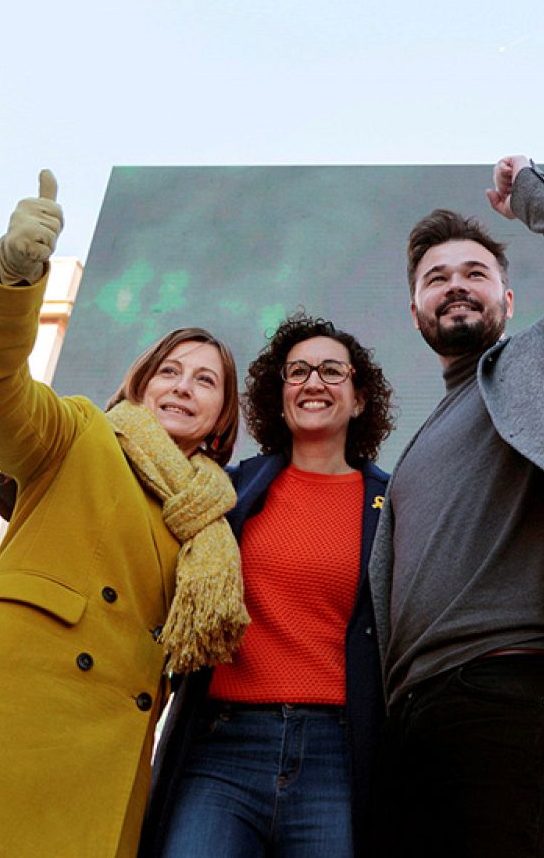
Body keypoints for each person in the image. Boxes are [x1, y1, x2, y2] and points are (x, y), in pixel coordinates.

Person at [0, 171, 247, 857]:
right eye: (170, 371)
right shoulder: (79, 433)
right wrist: (14, 278)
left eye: (205, 380)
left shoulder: (214, 522)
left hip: (93, 787)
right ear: (141, 382)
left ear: (222, 419)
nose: (183, 386)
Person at [370, 156, 544, 856]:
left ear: (506, 299)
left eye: (475, 273)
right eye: (435, 279)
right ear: (415, 313)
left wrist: (534, 198)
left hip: (522, 694)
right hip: (417, 722)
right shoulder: (410, 455)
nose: (455, 287)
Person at [142, 313, 395, 857]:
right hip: (220, 750)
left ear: (358, 399)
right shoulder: (223, 492)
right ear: (279, 396)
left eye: (332, 371)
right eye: (297, 370)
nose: (313, 382)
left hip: (338, 757)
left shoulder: (395, 506)